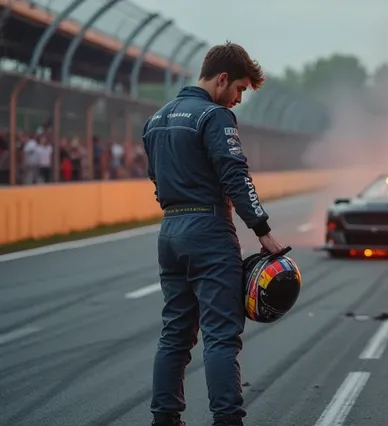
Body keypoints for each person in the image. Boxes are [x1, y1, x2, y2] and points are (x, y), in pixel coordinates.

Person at [142, 41, 284, 426]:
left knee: (175, 333)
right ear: (222, 79)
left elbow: (157, 181)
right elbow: (235, 176)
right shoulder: (214, 116)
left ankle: (165, 418)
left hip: (170, 231)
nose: (238, 99)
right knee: (221, 335)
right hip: (208, 230)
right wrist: (263, 230)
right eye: (239, 89)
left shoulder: (155, 119)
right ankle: (227, 419)